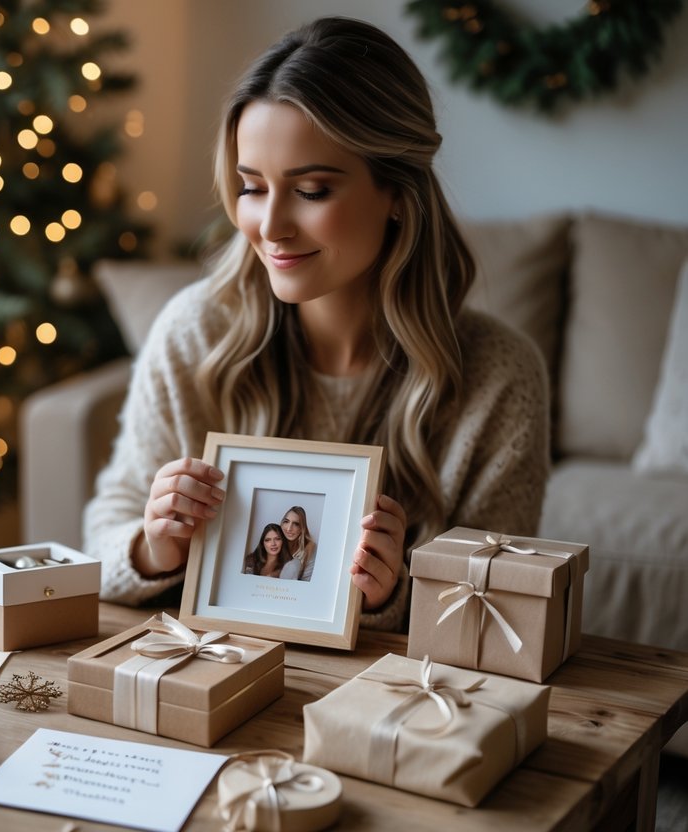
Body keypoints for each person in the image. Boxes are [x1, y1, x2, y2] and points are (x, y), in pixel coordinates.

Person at [83, 17, 549, 632]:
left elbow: (501, 617)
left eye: (311, 190)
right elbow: (103, 535)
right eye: (252, 187)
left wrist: (391, 599)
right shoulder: (194, 332)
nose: (270, 225)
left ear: (397, 196)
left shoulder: (500, 379)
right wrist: (154, 545)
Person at [278, 507, 317, 582]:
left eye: (296, 524)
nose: (289, 528)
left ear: (302, 528)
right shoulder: (273, 540)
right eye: (286, 521)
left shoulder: (310, 548)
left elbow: (306, 582)